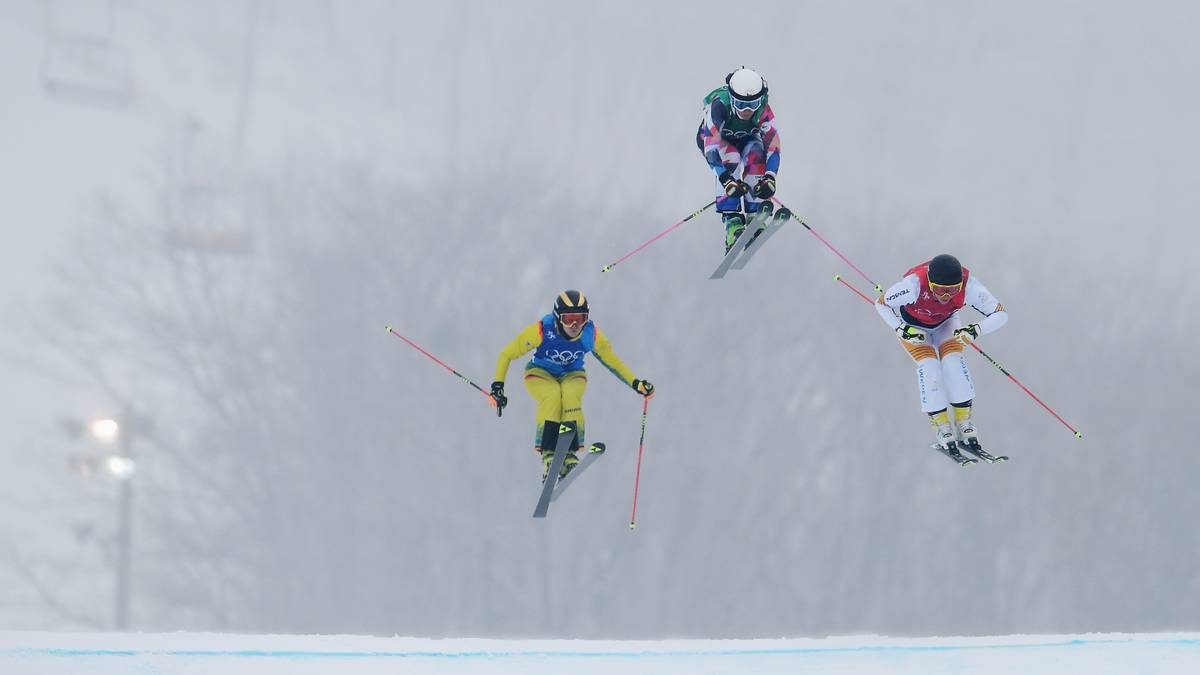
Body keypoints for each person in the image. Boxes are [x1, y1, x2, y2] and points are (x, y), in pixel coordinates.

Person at [491, 290, 655, 479]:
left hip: (572, 374)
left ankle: (568, 454)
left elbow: (612, 362)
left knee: (569, 392)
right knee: (552, 394)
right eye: (569, 319)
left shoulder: (590, 335)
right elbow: (507, 354)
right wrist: (498, 386)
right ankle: (550, 453)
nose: (575, 325)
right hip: (540, 372)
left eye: (581, 318)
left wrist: (636, 383)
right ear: (558, 317)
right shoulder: (543, 330)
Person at [875, 254, 1008, 453]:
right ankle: (941, 426)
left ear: (960, 285)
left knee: (953, 362)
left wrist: (976, 330)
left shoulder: (969, 287)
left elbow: (1001, 314)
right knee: (930, 367)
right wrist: (900, 328)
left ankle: (964, 423)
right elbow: (881, 303)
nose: (945, 296)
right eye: (939, 290)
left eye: (952, 291)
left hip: (946, 324)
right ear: (930, 282)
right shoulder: (913, 286)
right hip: (914, 330)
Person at [696, 67, 782, 253]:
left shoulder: (763, 111)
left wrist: (769, 178)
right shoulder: (720, 107)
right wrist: (726, 180)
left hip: (746, 139)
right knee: (731, 157)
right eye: (741, 105)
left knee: (757, 154)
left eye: (753, 104)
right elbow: (712, 149)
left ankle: (754, 216)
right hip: (716, 142)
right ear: (732, 98)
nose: (747, 111)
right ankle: (732, 222)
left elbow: (774, 146)